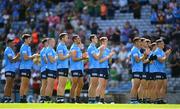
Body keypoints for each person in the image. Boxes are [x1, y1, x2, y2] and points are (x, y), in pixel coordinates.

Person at [19, 34, 38, 103]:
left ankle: (24, 97)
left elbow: (28, 58)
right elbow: (25, 57)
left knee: (27, 84)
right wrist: (33, 56)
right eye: (29, 38)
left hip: (28, 68)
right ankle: (21, 98)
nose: (31, 40)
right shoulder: (23, 47)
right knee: (23, 83)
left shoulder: (28, 47)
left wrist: (34, 60)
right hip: (24, 67)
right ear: (25, 39)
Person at [96, 37, 115, 103]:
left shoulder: (107, 50)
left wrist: (111, 56)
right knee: (100, 84)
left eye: (107, 41)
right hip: (100, 68)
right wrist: (108, 57)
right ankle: (96, 100)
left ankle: (102, 100)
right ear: (102, 42)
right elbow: (99, 61)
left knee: (104, 85)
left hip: (106, 68)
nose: (107, 42)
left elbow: (109, 61)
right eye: (106, 41)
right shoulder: (99, 49)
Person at [129, 37, 148, 104]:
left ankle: (134, 100)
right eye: (140, 42)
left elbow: (141, 61)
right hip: (136, 70)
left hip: (139, 70)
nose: (141, 43)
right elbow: (137, 60)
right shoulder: (134, 50)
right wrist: (144, 55)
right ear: (136, 42)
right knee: (135, 86)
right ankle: (132, 100)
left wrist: (145, 57)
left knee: (137, 86)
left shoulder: (138, 50)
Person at [87, 34, 105, 103]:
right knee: (93, 84)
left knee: (95, 84)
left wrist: (101, 50)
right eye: (96, 38)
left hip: (96, 67)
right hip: (93, 67)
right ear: (92, 39)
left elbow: (99, 56)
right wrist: (100, 50)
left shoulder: (94, 47)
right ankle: (90, 99)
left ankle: (92, 99)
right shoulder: (91, 47)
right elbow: (96, 57)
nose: (97, 39)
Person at [1, 39, 20, 103]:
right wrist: (18, 56)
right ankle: (5, 97)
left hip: (12, 70)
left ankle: (8, 98)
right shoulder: (8, 50)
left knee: (11, 84)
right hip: (8, 69)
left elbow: (15, 60)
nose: (14, 44)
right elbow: (11, 60)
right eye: (12, 43)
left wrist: (18, 57)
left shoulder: (11, 51)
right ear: (9, 43)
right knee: (8, 83)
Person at [69, 35, 86, 103]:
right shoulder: (73, 47)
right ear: (74, 40)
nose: (80, 39)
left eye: (79, 38)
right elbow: (74, 59)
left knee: (81, 84)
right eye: (78, 38)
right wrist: (82, 58)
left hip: (80, 68)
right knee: (74, 84)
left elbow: (82, 56)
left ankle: (77, 98)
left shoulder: (78, 47)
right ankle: (72, 98)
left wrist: (84, 57)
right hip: (75, 68)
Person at [154, 39, 171, 104]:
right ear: (158, 45)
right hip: (158, 71)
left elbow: (165, 60)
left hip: (163, 71)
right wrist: (166, 55)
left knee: (164, 86)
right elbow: (161, 60)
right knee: (158, 86)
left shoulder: (162, 51)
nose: (163, 44)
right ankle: (157, 99)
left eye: (163, 43)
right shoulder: (156, 52)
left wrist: (167, 54)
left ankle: (161, 99)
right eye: (162, 43)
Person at [56, 33, 70, 103]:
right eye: (66, 37)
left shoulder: (64, 46)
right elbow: (61, 57)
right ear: (62, 38)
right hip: (61, 67)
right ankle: (59, 98)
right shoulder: (60, 46)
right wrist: (69, 55)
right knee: (61, 83)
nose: (67, 39)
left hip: (65, 67)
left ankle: (61, 97)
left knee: (64, 84)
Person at [44, 38, 57, 102]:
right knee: (49, 84)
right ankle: (46, 98)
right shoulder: (48, 50)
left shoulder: (52, 50)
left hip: (53, 69)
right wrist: (57, 57)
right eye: (53, 42)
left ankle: (49, 98)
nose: (54, 43)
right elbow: (51, 60)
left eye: (54, 42)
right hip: (50, 69)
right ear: (50, 42)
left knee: (52, 85)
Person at [39, 38, 48, 103]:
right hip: (44, 69)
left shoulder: (48, 50)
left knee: (48, 84)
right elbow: (46, 60)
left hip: (48, 69)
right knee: (44, 84)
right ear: (44, 43)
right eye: (47, 42)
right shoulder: (43, 50)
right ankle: (42, 98)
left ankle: (45, 97)